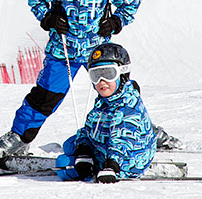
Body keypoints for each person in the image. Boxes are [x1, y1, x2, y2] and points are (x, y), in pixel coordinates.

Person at [0, 0, 141, 159]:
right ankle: (19, 138)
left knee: (117, 91)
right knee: (45, 97)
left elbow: (132, 3)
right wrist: (48, 17)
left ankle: (139, 131)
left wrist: (116, 22)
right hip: (63, 52)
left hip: (98, 53)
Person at [55, 43, 155, 183]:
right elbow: (89, 128)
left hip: (124, 162)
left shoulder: (126, 108)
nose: (102, 81)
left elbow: (122, 140)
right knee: (70, 144)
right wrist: (84, 151)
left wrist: (111, 166)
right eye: (96, 75)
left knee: (63, 164)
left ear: (122, 74)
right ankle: (88, 155)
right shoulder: (104, 102)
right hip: (106, 146)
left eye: (108, 74)